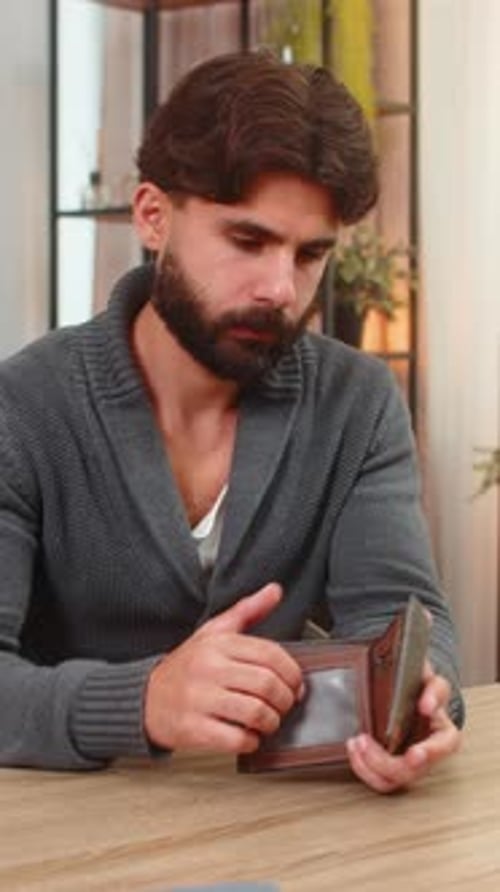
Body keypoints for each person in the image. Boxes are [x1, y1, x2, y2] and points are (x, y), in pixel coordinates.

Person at [0, 50, 463, 792]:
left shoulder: (358, 402)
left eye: (311, 254)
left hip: (280, 827)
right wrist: (143, 700)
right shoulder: (21, 408)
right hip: (57, 830)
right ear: (153, 217)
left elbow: (405, 623)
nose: (280, 288)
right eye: (247, 241)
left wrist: (424, 698)